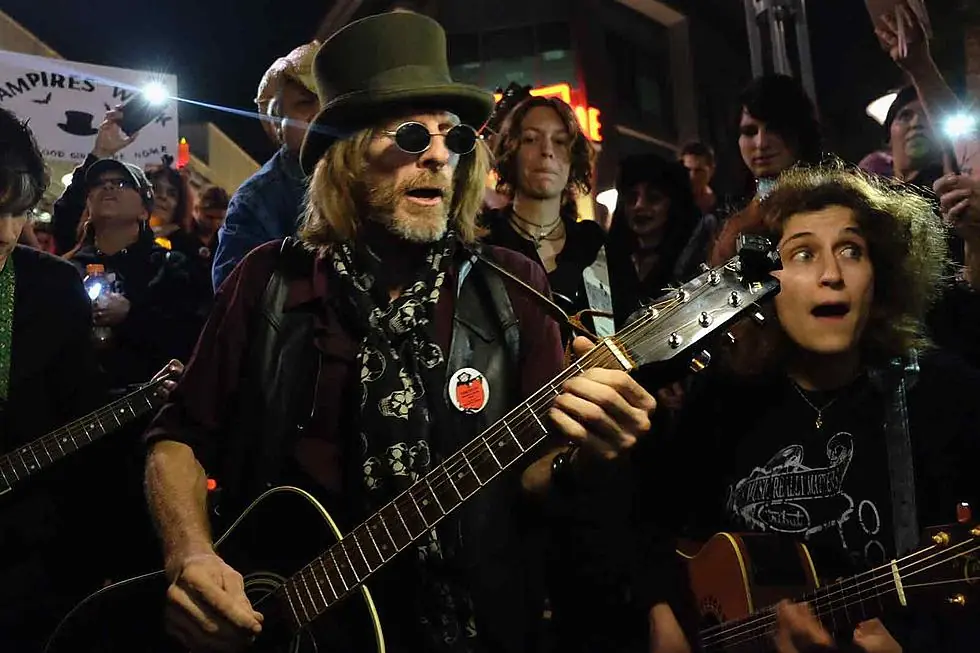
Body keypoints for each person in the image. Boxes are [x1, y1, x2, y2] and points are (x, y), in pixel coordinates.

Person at [143, 12, 654, 653]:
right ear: (346, 157)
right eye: (410, 135)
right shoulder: (268, 280)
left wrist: (587, 455)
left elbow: (532, 476)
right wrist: (189, 554)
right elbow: (178, 440)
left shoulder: (512, 284)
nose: (438, 155)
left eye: (454, 137)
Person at [630, 164, 980, 653]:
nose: (831, 275)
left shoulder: (942, 396)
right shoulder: (723, 396)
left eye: (851, 251)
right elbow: (650, 525)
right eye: (803, 254)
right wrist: (662, 612)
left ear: (880, 276)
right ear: (760, 285)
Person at [0, 107, 179, 651]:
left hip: (27, 555)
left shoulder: (51, 286)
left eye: (18, 213)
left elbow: (83, 406)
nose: (6, 234)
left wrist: (144, 401)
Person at [65, 159, 198, 394]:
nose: (108, 187)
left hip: (145, 404)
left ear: (144, 210)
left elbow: (188, 337)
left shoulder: (170, 267)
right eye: (98, 184)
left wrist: (131, 315)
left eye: (121, 183)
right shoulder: (67, 271)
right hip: (78, 405)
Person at [482, 95, 610, 334]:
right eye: (531, 139)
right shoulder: (482, 240)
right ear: (511, 151)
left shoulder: (594, 244)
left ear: (574, 158)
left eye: (560, 141)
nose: (547, 151)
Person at [210, 41, 321, 291]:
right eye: (304, 103)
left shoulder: (373, 172)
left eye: (328, 101)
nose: (319, 114)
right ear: (277, 124)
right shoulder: (255, 199)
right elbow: (235, 293)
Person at [708, 74, 822, 266]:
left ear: (800, 134)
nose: (761, 143)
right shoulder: (727, 212)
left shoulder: (829, 202)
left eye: (774, 129)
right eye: (749, 132)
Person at [606, 155, 715, 330]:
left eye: (653, 198)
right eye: (632, 198)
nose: (639, 205)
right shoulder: (609, 261)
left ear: (673, 206)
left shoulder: (692, 262)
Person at [678, 141, 718, 215]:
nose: (692, 176)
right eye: (687, 170)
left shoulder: (721, 204)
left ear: (711, 170)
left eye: (698, 171)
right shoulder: (670, 203)